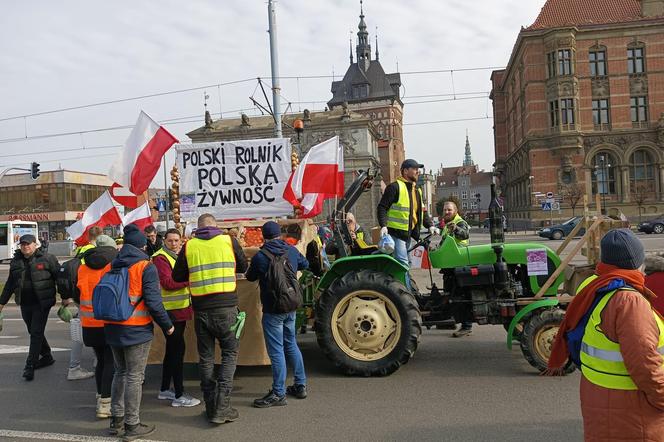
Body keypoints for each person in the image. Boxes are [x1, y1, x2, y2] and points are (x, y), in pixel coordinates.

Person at [547, 229, 664, 441]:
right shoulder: (629, 301)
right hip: (631, 409)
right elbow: (645, 365)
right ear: (637, 261)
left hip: (599, 397)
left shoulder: (593, 285)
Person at [173, 213, 248, 424]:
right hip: (227, 309)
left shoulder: (189, 246)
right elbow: (243, 267)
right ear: (216, 226)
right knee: (229, 355)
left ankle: (210, 405)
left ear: (197, 228)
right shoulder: (229, 241)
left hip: (201, 311)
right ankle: (222, 407)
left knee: (205, 358)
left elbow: (177, 277)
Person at [105, 225, 174, 440]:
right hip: (135, 329)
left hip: (112, 326)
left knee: (120, 372)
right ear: (142, 245)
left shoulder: (113, 264)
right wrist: (167, 325)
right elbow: (154, 302)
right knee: (135, 376)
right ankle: (132, 425)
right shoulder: (145, 266)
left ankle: (116, 420)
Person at [246, 221, 309, 408]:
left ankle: (279, 393)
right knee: (291, 344)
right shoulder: (290, 249)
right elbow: (304, 264)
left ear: (264, 236)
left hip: (274, 309)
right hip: (291, 304)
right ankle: (300, 385)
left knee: (276, 350)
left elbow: (250, 277)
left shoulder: (260, 256)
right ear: (279, 234)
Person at [0, 234, 60, 381]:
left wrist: (65, 297)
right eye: (23, 244)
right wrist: (1, 303)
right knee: (33, 331)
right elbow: (10, 284)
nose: (25, 246)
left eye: (28, 244)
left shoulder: (47, 259)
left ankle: (30, 365)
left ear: (35, 245)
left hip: (42, 303)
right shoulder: (16, 262)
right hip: (25, 303)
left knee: (36, 332)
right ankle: (46, 355)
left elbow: (60, 277)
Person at [152, 228, 200, 408]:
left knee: (173, 351)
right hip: (171, 312)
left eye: (176, 240)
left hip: (178, 310)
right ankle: (179, 394)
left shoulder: (175, 256)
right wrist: (191, 281)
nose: (174, 243)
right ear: (164, 241)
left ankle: (165, 389)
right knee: (177, 351)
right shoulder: (161, 258)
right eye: (170, 240)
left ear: (181, 241)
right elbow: (168, 283)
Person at [72, 234, 118, 418]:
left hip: (89, 323)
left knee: (100, 361)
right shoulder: (113, 265)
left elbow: (77, 293)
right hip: (108, 321)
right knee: (110, 362)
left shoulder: (82, 268)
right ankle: (106, 403)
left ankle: (100, 396)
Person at [377, 159, 438, 288]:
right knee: (403, 264)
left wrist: (430, 225)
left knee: (406, 264)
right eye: (415, 169)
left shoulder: (417, 191)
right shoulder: (394, 187)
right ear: (405, 171)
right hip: (396, 235)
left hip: (408, 235)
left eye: (418, 169)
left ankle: (402, 289)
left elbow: (422, 211)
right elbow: (382, 207)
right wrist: (383, 225)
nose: (418, 171)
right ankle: (406, 295)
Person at [68, 226, 102, 381]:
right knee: (89, 329)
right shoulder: (94, 252)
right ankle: (74, 367)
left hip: (80, 296)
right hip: (90, 296)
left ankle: (95, 360)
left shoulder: (81, 250)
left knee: (81, 330)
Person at [439, 201, 473, 337]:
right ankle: (449, 320)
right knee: (449, 295)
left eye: (449, 210)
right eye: (445, 210)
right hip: (450, 266)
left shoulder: (459, 223)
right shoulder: (447, 225)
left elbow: (465, 235)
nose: (447, 212)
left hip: (459, 266)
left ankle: (466, 326)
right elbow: (445, 242)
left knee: (461, 297)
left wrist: (456, 229)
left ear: (456, 211)